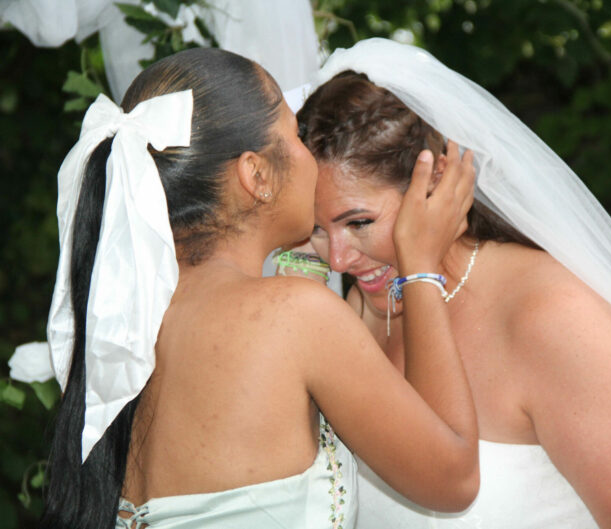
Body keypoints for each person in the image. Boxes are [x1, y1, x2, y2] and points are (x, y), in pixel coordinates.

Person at [39, 48, 482, 529]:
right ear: (256, 175)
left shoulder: (124, 322)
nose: (307, 153)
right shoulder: (295, 315)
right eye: (293, 133)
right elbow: (453, 478)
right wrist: (418, 263)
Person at [297, 38, 611, 529]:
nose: (338, 259)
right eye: (318, 229)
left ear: (438, 179)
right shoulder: (362, 311)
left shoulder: (555, 316)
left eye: (359, 222)